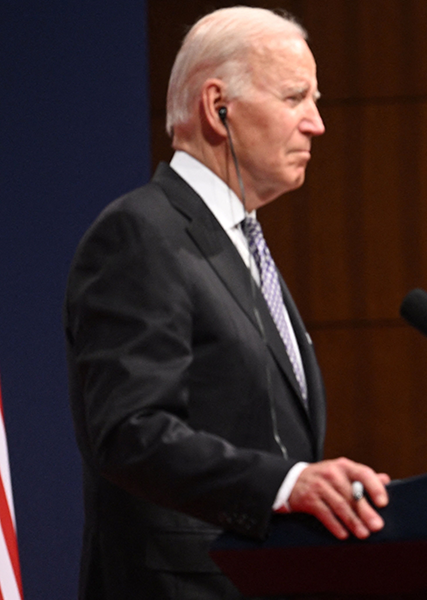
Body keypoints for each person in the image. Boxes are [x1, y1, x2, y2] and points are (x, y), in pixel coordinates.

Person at [64, 7, 389, 599]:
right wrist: (287, 484)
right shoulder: (141, 234)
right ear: (218, 107)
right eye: (296, 98)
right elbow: (131, 430)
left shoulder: (238, 240)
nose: (316, 123)